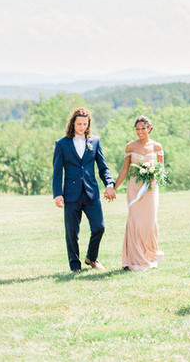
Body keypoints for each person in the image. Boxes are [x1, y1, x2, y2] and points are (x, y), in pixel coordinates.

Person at [52, 106, 116, 273]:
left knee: (99, 227)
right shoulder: (62, 144)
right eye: (79, 124)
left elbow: (103, 167)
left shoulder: (94, 141)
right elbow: (57, 172)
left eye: (85, 124)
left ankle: (91, 257)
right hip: (71, 195)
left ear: (88, 124)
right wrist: (57, 194)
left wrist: (109, 183)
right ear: (73, 123)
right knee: (72, 232)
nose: (82, 127)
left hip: (91, 193)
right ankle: (75, 265)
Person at [113, 115, 165, 271]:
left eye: (143, 128)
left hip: (150, 189)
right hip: (134, 188)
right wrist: (114, 188)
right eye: (137, 129)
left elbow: (161, 169)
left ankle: (149, 255)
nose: (140, 131)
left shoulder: (157, 147)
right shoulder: (130, 146)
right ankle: (133, 259)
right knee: (135, 222)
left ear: (149, 128)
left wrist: (153, 172)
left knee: (149, 222)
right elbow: (124, 169)